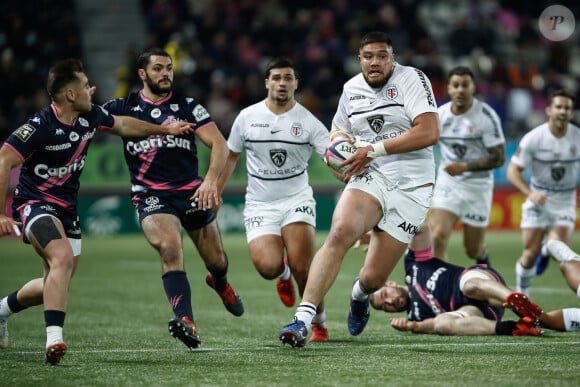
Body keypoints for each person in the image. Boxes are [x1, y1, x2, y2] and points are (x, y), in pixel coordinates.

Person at [0, 58, 193, 365]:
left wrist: (164, 129)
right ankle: (54, 339)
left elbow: (125, 125)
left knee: (55, 280)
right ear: (70, 95)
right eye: (84, 84)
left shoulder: (90, 114)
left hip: (68, 209)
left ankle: (1, 311)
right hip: (35, 204)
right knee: (61, 259)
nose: (92, 89)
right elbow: (4, 159)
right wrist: (1, 213)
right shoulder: (40, 126)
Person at [278, 31, 440, 347]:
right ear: (360, 60)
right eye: (368, 57)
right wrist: (339, 153)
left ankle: (359, 293)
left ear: (393, 58)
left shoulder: (412, 79)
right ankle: (303, 320)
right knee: (339, 232)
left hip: (413, 186)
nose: (375, 62)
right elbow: (339, 130)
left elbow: (430, 131)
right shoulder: (351, 89)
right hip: (372, 176)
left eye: (382, 56)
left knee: (374, 278)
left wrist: (372, 149)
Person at [101, 48, 244, 350]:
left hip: (191, 191)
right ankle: (187, 322)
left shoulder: (188, 106)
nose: (166, 73)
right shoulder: (122, 107)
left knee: (217, 262)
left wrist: (210, 182)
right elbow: (83, 120)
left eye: (168, 68)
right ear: (142, 75)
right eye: (158, 69)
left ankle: (219, 282)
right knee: (170, 247)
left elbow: (218, 144)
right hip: (150, 195)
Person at [217, 57, 332, 342]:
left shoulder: (308, 121)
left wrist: (349, 175)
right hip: (260, 203)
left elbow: (332, 157)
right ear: (267, 82)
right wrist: (215, 190)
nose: (282, 83)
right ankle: (282, 275)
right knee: (267, 267)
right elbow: (231, 155)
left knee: (303, 267)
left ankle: (318, 322)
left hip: (297, 199)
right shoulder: (247, 117)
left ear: (295, 83)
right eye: (277, 78)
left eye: (288, 78)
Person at [368, 227, 580, 335]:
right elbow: (432, 325)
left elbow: (420, 226)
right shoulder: (415, 314)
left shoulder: (413, 264)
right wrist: (414, 327)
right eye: (385, 308)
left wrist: (381, 230)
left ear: (390, 283)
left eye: (385, 296)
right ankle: (515, 328)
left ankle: (513, 299)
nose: (389, 303)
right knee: (442, 324)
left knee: (468, 285)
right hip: (474, 311)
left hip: (475, 279)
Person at [430, 66, 505, 264]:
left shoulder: (486, 117)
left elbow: (499, 158)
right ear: (448, 88)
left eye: (465, 85)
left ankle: (485, 266)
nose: (460, 90)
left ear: (473, 88)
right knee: (437, 236)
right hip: (449, 182)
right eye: (456, 85)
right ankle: (439, 287)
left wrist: (465, 167)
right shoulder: (439, 116)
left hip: (478, 185)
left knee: (473, 249)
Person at [507, 90, 579, 296]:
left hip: (564, 201)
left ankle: (547, 248)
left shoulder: (577, 137)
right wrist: (530, 193)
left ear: (571, 113)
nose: (563, 111)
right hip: (538, 201)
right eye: (559, 107)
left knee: (560, 250)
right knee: (529, 255)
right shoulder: (534, 138)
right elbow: (513, 171)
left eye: (567, 108)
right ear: (549, 110)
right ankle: (523, 293)